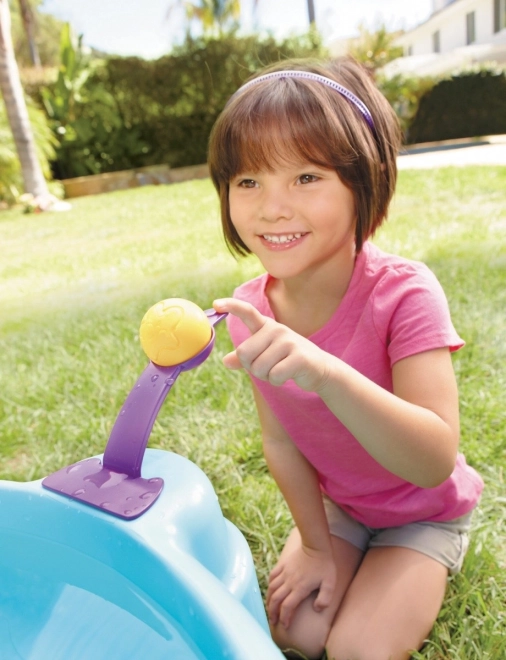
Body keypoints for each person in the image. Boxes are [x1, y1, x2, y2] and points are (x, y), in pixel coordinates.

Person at [208, 57, 484, 660]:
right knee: (296, 633)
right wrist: (314, 545)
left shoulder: (405, 292)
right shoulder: (250, 311)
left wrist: (327, 373)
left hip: (422, 512)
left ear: (365, 182)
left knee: (357, 650)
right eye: (248, 181)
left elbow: (434, 458)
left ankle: (434, 555)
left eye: (306, 177)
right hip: (344, 508)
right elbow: (281, 443)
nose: (272, 207)